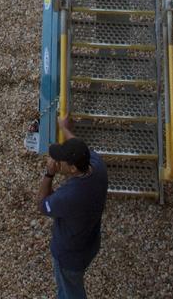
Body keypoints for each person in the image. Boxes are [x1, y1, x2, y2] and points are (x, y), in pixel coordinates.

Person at [38, 119, 108, 299]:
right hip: (90, 242)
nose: (57, 162)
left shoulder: (69, 196)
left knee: (70, 291)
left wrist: (49, 174)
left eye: (61, 161)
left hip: (69, 255)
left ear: (73, 168)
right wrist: (65, 129)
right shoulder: (98, 166)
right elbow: (83, 149)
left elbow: (42, 204)